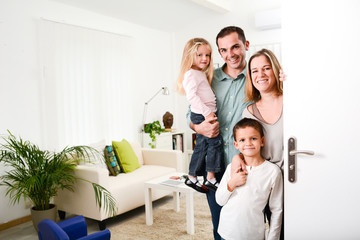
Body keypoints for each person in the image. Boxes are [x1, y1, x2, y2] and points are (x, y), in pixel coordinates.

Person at [187, 27, 284, 239]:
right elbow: (191, 114)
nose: (229, 54)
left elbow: (275, 88)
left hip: (247, 165)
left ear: (246, 45)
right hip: (214, 165)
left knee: (258, 220)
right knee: (221, 224)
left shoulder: (254, 79)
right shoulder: (209, 78)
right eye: (223, 50)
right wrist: (198, 127)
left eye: (235, 47)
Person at [216, 118, 283, 240]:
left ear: (262, 141)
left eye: (253, 138)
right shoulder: (232, 167)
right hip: (227, 232)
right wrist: (232, 183)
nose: (248, 143)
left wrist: (273, 237)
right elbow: (220, 200)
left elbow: (276, 210)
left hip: (253, 234)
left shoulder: (273, 172)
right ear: (236, 145)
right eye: (242, 140)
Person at [177, 38, 224, 193]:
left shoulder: (200, 73)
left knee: (202, 146)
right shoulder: (191, 74)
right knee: (214, 143)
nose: (205, 58)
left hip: (205, 114)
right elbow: (192, 97)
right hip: (203, 116)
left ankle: (192, 177)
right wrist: (207, 113)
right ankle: (210, 177)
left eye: (208, 55)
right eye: (200, 55)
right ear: (190, 56)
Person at [231, 48, 283, 172]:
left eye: (266, 68)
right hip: (266, 180)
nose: (260, 75)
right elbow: (246, 147)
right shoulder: (249, 113)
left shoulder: (293, 102)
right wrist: (237, 157)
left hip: (298, 178)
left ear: (275, 70)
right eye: (255, 71)